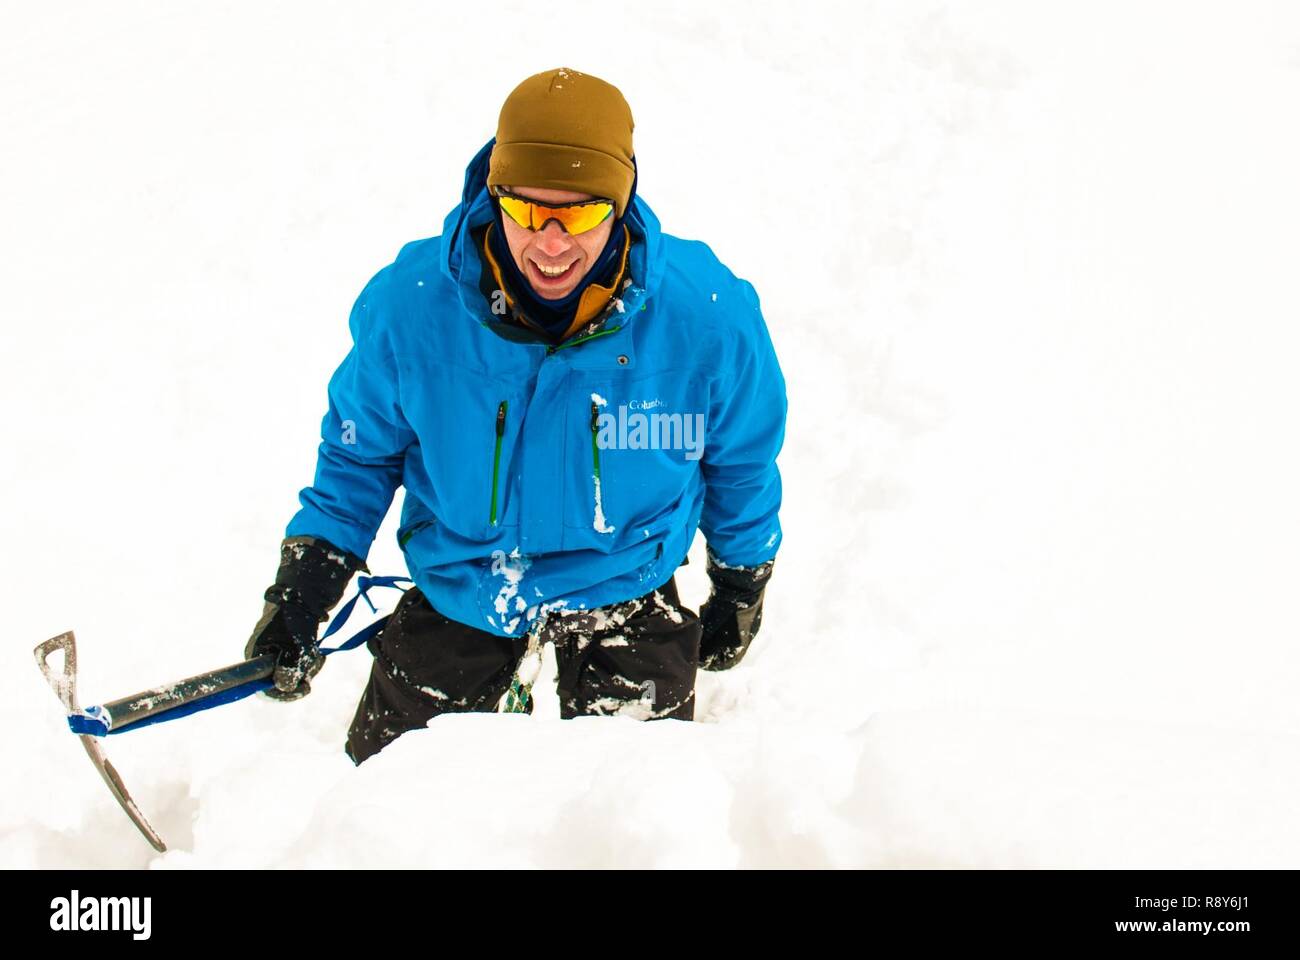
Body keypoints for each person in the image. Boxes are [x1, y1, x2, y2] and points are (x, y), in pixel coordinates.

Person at [244, 67, 787, 764]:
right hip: (464, 583)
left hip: (627, 580)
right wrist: (303, 588)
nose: (552, 243)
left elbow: (739, 458)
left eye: (582, 213)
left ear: (620, 204)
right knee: (386, 812)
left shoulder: (706, 318)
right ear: (492, 194)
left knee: (628, 818)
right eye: (527, 209)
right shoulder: (411, 308)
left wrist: (742, 579)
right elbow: (359, 456)